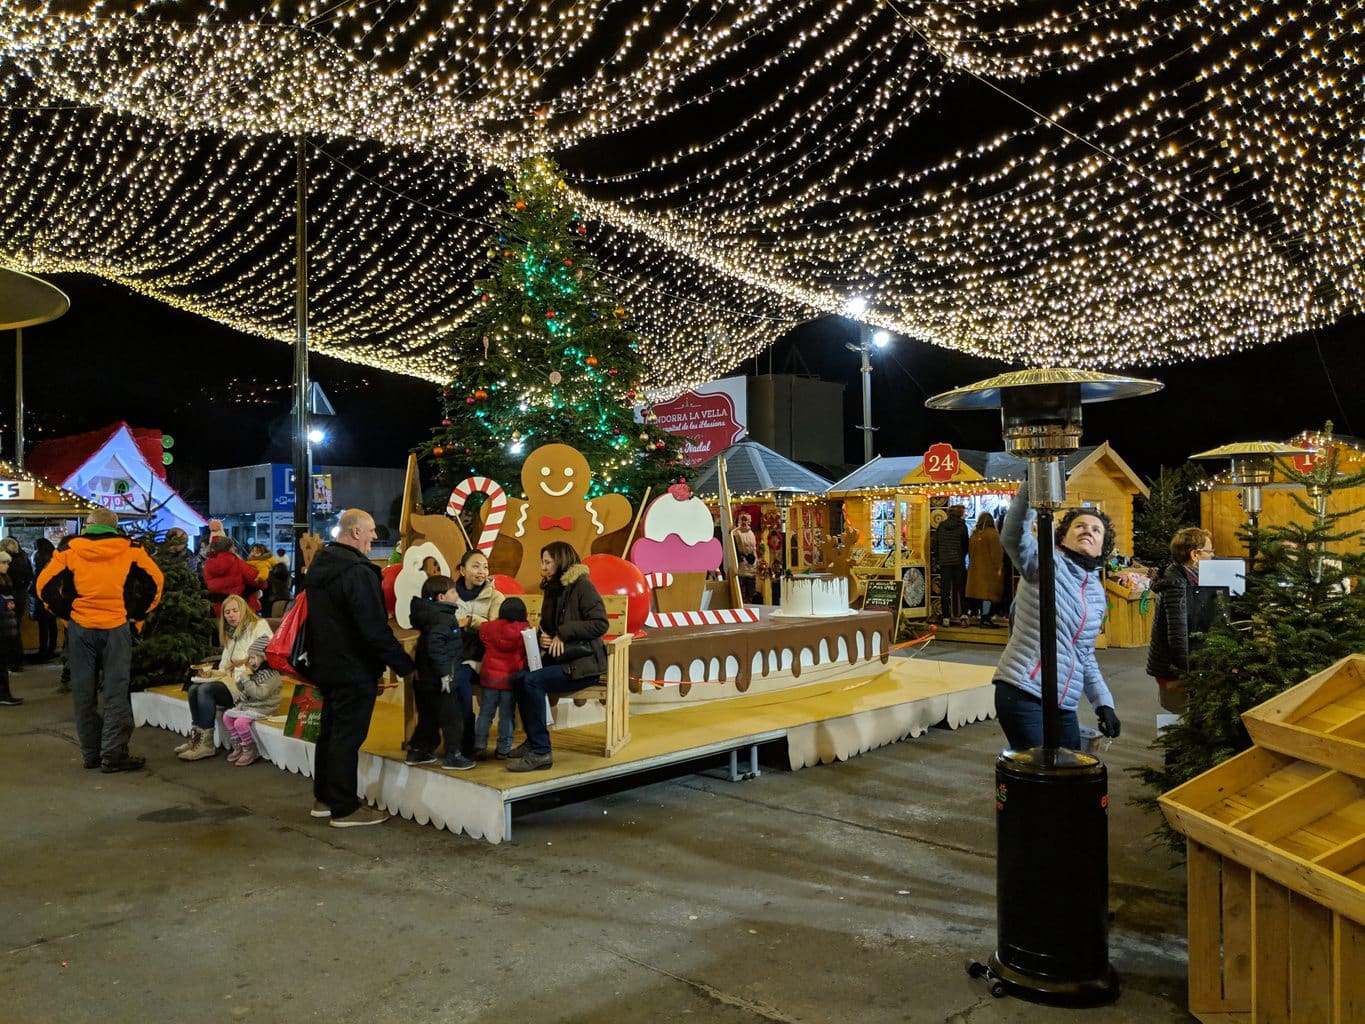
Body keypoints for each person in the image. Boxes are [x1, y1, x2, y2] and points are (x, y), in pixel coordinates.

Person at [303, 508, 415, 827]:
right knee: (347, 737)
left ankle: (325, 797)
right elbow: (373, 628)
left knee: (331, 732)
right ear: (355, 533)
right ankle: (344, 808)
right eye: (370, 531)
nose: (374, 537)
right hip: (353, 668)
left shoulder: (321, 565)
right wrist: (405, 665)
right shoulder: (357, 572)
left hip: (326, 665)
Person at [992, 483, 1120, 751]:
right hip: (1023, 690)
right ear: (1063, 537)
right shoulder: (1045, 562)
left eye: (1097, 530)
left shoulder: (1096, 593)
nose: (1088, 530)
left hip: (1062, 702)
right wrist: (1032, 487)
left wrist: (1103, 703)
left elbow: (1083, 654)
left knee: (1071, 770)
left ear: (1102, 547)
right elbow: (1013, 537)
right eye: (1080, 526)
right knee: (1039, 774)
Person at [37, 508, 164, 772]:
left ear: (88, 525)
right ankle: (113, 754)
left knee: (83, 692)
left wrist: (65, 613)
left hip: (81, 628)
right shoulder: (131, 549)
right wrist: (137, 615)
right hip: (116, 627)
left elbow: (44, 586)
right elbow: (155, 582)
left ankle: (91, 754)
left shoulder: (69, 549)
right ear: (114, 526)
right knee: (116, 692)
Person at [508, 542, 607, 772]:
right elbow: (551, 627)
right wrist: (544, 637)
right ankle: (534, 740)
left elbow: (600, 623)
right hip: (559, 661)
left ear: (561, 561)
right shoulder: (554, 588)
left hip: (583, 665)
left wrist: (563, 634)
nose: (543, 567)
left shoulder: (582, 586)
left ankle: (541, 752)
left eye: (547, 562)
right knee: (518, 679)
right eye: (542, 562)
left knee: (532, 681)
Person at [178, 594, 277, 762]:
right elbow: (224, 667)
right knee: (194, 687)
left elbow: (266, 655)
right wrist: (210, 673)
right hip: (231, 682)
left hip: (251, 683)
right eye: (227, 612)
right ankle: (197, 737)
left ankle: (206, 744)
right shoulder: (231, 634)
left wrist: (242, 663)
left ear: (244, 610)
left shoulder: (258, 626)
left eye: (235, 611)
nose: (231, 615)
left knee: (205, 690)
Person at [1147, 527, 1224, 714]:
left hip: (1188, 664)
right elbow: (1178, 634)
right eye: (1210, 551)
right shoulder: (1177, 584)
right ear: (1195, 555)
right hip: (1178, 669)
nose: (1212, 556)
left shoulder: (1187, 578)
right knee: (1184, 719)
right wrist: (1190, 671)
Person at [406, 574, 475, 771]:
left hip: (426, 679)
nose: (457, 594)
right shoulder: (443, 618)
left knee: (429, 717)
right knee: (452, 718)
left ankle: (418, 751)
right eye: (453, 591)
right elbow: (436, 646)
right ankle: (453, 754)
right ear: (441, 597)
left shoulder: (429, 615)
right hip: (440, 679)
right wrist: (446, 674)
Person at [450, 549, 504, 757]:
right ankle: (457, 736)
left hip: (485, 657)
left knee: (459, 675)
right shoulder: (451, 593)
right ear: (463, 570)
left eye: (485, 567)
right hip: (457, 654)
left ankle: (466, 740)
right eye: (475, 566)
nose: (481, 571)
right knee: (454, 675)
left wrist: (473, 621)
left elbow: (498, 631)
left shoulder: (495, 597)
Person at [475, 597, 528, 759]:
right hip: (510, 680)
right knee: (507, 715)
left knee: (485, 713)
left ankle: (479, 745)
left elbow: (481, 631)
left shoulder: (490, 628)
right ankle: (503, 749)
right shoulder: (524, 630)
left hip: (490, 679)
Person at [202, 536, 264, 616]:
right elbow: (259, 581)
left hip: (217, 609)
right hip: (239, 608)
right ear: (230, 548)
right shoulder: (238, 563)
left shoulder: (207, 565)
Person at [965, 511, 1005, 627]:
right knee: (988, 595)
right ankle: (985, 618)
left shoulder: (974, 534)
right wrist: (998, 568)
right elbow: (997, 553)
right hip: (989, 570)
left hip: (975, 569)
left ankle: (980, 615)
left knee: (980, 594)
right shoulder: (993, 534)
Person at [935, 504, 970, 625]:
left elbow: (935, 544)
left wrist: (938, 558)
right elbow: (966, 544)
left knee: (945, 591)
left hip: (945, 562)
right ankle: (963, 615)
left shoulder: (942, 526)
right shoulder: (962, 526)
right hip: (958, 561)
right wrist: (962, 555)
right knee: (961, 589)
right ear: (960, 514)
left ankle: (945, 617)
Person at [1, 538, 32, 670]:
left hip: (9, 600)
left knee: (8, 632)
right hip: (20, 596)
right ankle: (17, 661)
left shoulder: (6, 561)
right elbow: (30, 576)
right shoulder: (24, 557)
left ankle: (12, 661)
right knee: (15, 629)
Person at [29, 537, 58, 662]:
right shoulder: (54, 556)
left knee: (43, 624)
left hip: (41, 593)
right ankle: (51, 649)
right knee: (51, 623)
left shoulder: (39, 556)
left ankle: (43, 651)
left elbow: (37, 576)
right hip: (53, 593)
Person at [0, 554, 21, 706]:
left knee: (3, 662)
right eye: (4, 562)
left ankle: (5, 693)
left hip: (7, 624)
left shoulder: (6, 579)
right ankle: (4, 694)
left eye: (7, 562)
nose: (7, 565)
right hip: (3, 625)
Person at [731, 512, 759, 603]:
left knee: (751, 586)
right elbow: (733, 547)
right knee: (742, 586)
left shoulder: (751, 533)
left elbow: (754, 548)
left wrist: (756, 560)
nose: (744, 522)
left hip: (751, 563)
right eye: (742, 520)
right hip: (741, 562)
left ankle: (750, 600)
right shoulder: (735, 533)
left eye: (746, 520)